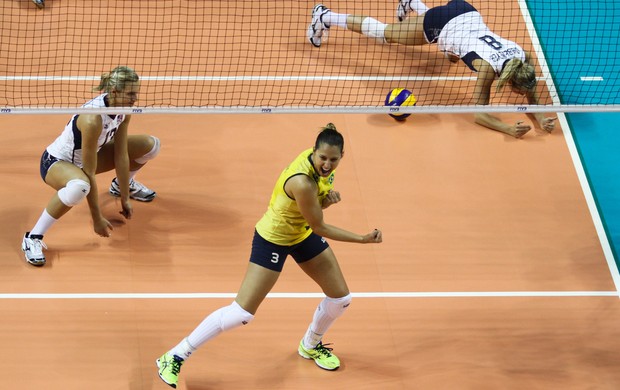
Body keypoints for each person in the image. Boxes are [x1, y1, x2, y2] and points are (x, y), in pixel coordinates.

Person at [156, 123, 383, 388]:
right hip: (273, 239)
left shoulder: (324, 172)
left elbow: (312, 211)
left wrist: (325, 202)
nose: (327, 164)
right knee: (241, 313)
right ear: (314, 151)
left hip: (300, 233)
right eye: (323, 158)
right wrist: (362, 239)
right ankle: (174, 355)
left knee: (340, 298)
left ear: (342, 156)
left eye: (334, 159)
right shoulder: (302, 180)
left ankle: (310, 344)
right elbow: (320, 225)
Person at [307, 0, 557, 138]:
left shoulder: (523, 55)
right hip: (443, 24)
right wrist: (507, 128)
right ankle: (325, 16)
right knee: (384, 34)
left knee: (451, 55)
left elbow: (530, 91)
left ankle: (412, 3)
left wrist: (539, 118)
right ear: (510, 81)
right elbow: (480, 115)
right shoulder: (487, 71)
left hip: (466, 11)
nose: (522, 93)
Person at [21, 66, 160, 266]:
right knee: (80, 186)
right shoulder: (92, 119)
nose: (134, 98)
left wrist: (124, 197)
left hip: (91, 155)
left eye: (136, 92)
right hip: (56, 162)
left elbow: (122, 155)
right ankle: (33, 238)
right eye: (130, 93)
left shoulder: (123, 111)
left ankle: (124, 185)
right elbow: (89, 172)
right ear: (114, 92)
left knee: (151, 145)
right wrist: (97, 218)